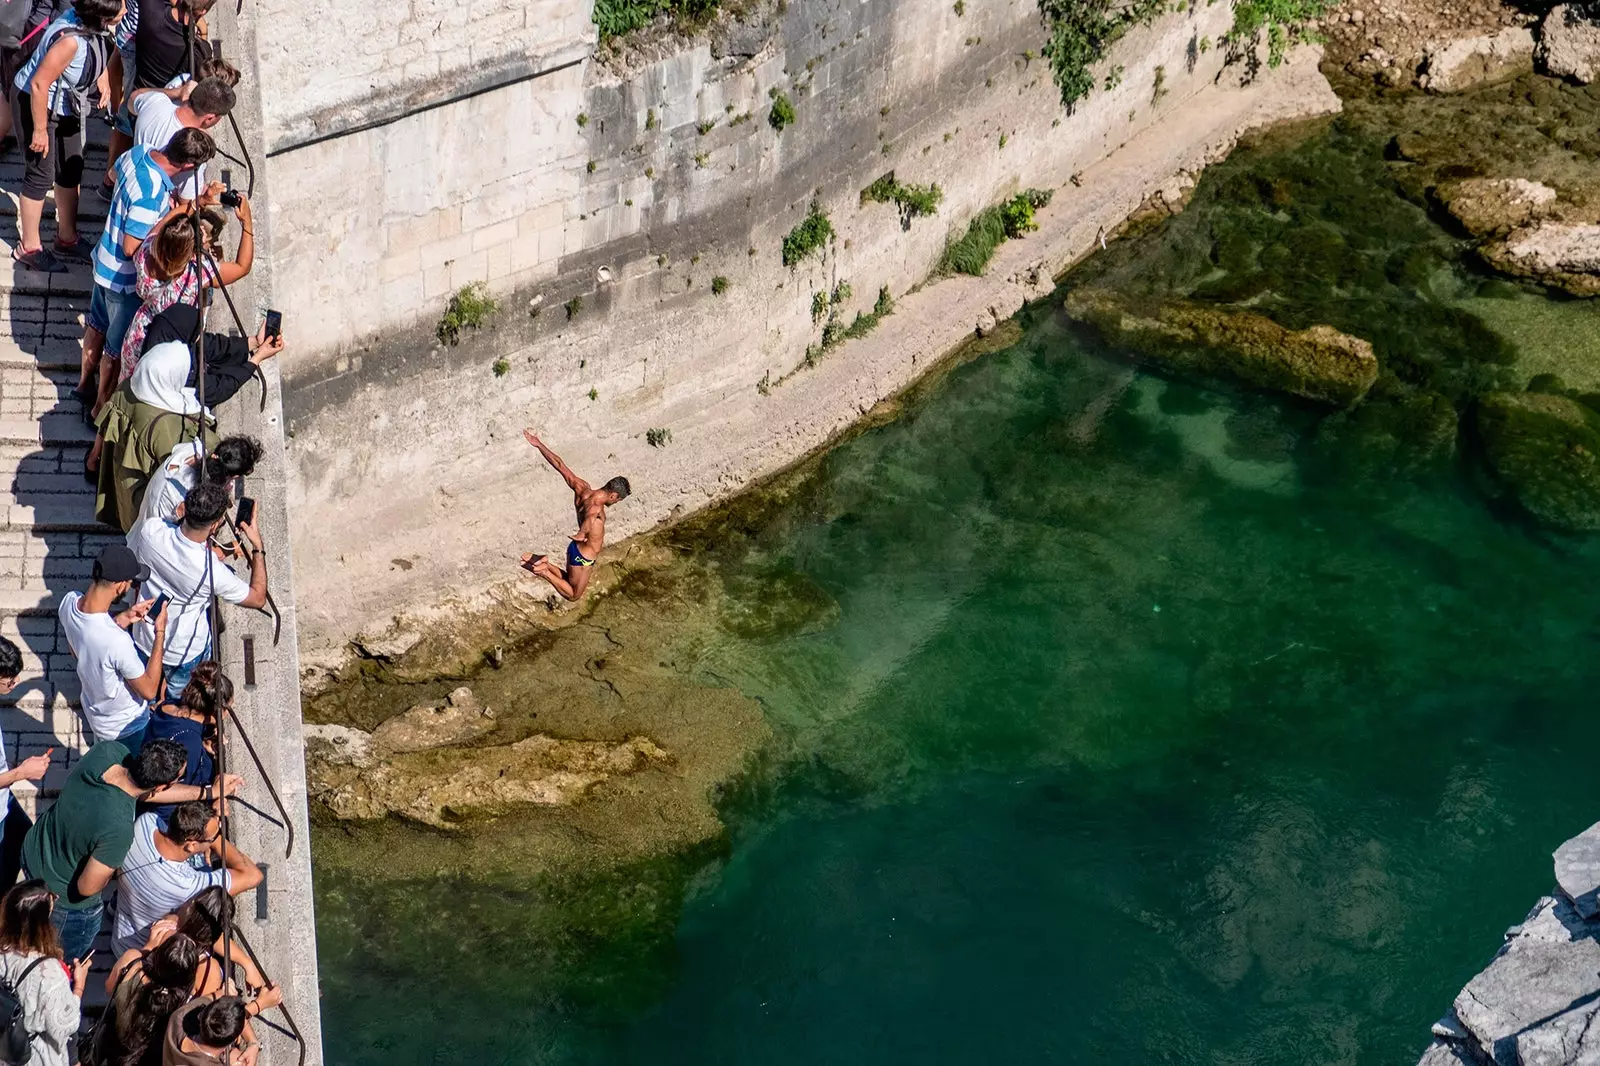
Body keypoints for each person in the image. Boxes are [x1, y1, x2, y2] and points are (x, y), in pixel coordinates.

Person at [20, 738, 240, 963]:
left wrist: (208, 792)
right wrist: (111, 868)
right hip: (61, 897)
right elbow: (86, 887)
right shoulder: (119, 829)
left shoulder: (107, 752)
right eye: (178, 779)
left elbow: (143, 792)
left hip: (33, 849)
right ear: (161, 786)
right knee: (62, 957)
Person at [83, 126, 218, 428]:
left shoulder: (137, 154)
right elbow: (134, 246)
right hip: (123, 279)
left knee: (94, 326)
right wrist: (172, 216)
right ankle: (98, 408)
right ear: (187, 166)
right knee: (114, 350)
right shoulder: (151, 192)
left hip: (102, 261)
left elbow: (113, 177)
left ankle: (82, 385)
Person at [8, 0, 122, 273]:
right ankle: (29, 247)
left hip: (64, 104)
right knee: (40, 174)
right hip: (35, 103)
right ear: (101, 15)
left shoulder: (93, 24)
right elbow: (38, 84)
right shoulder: (70, 41)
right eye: (120, 8)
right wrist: (39, 130)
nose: (126, 10)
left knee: (71, 166)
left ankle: (67, 237)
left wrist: (102, 74)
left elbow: (98, 41)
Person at [128, 481, 268, 698]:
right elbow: (257, 598)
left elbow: (174, 534)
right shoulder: (211, 570)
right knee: (180, 697)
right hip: (183, 649)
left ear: (185, 507)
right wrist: (257, 547)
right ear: (215, 525)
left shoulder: (151, 530)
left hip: (145, 634)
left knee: (140, 691)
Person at [94, 337, 218, 530]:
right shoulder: (168, 425)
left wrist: (93, 459)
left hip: (122, 485)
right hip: (143, 503)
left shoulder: (127, 387)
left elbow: (104, 429)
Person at [113, 801, 260, 956]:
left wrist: (207, 835)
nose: (217, 837)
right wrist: (216, 840)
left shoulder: (145, 823)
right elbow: (253, 875)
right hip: (146, 953)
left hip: (121, 938)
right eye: (213, 838)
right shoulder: (186, 885)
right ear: (190, 846)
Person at [57, 543, 168, 747]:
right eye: (132, 583)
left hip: (98, 719)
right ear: (119, 585)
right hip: (128, 727)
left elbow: (79, 651)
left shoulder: (68, 602)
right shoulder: (117, 641)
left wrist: (123, 618)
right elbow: (149, 690)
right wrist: (160, 632)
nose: (132, 587)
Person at [103, 0, 214, 182]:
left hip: (139, 94)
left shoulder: (150, 13)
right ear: (202, 13)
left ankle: (109, 180)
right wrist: (203, 33)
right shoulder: (200, 52)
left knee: (123, 128)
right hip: (164, 107)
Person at [518, 430, 631, 602]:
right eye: (618, 500)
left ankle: (544, 564)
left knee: (568, 581)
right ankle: (544, 571)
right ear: (614, 495)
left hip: (575, 549)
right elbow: (591, 517)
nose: (615, 503)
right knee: (573, 595)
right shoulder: (596, 508)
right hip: (583, 556)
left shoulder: (582, 488)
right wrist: (582, 533)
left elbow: (560, 465)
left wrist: (539, 444)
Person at [0, 881, 91, 1066]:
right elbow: (65, 1025)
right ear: (41, 922)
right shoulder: (51, 974)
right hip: (31, 1055)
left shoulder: (3, 948)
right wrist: (79, 985)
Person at [140, 304, 283, 410]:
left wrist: (254, 342)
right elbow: (218, 389)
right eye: (196, 334)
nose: (199, 338)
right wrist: (256, 359)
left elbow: (213, 345)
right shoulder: (171, 371)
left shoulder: (170, 335)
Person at [92, 932, 199, 1066]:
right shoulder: (186, 1009)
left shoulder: (132, 963)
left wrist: (148, 946)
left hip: (117, 1045)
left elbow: (109, 988)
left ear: (158, 957)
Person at [0, 639, 52, 892]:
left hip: (4, 796)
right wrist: (22, 772)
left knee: (23, 833)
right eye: (9, 681)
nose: (15, 684)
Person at [127, 76, 231, 201]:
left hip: (130, 178)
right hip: (153, 203)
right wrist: (206, 197)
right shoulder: (193, 148)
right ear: (210, 117)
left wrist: (176, 92)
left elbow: (133, 98)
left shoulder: (155, 101)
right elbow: (186, 201)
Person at [144, 661, 224, 820]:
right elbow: (152, 792)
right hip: (168, 817)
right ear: (213, 713)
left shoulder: (170, 706)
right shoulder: (190, 744)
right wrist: (211, 792)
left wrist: (205, 741)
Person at [136, 436, 261, 528]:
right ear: (235, 477)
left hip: (143, 523)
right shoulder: (192, 501)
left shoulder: (193, 449)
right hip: (154, 543)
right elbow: (194, 536)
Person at [162, 987, 279, 1066]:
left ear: (201, 1015)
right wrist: (259, 1005)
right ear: (233, 1040)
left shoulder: (180, 1017)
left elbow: (219, 994)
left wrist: (253, 1043)